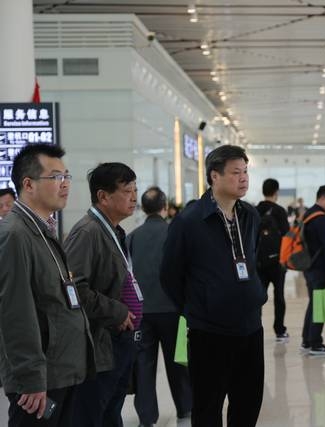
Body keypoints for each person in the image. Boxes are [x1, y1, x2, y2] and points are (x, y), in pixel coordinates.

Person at [161, 145, 267, 427]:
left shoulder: (250, 216)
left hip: (250, 327)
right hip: (209, 332)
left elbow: (253, 261)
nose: (243, 178)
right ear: (214, 176)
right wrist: (197, 307)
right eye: (235, 172)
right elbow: (170, 274)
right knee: (208, 408)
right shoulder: (189, 221)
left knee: (248, 404)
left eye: (245, 171)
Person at [0, 143, 93, 426]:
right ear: (28, 184)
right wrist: (30, 378)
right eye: (55, 177)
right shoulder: (15, 235)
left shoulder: (42, 229)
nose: (65, 184)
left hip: (60, 370)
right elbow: (15, 312)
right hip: (40, 380)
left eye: (66, 176)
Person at [63, 162, 140, 426]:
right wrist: (117, 311)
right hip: (99, 346)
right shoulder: (88, 232)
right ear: (103, 196)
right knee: (91, 415)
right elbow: (73, 288)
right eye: (127, 191)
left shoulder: (114, 231)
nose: (134, 197)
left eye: (135, 190)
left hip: (117, 340)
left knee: (110, 413)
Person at [126, 186, 192, 426]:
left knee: (144, 365)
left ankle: (147, 417)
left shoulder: (132, 237)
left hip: (142, 313)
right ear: (165, 207)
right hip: (173, 310)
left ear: (143, 209)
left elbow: (127, 276)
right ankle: (185, 408)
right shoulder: (175, 233)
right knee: (178, 362)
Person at [300, 184, 325, 356]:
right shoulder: (321, 219)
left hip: (308, 267)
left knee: (314, 303)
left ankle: (307, 341)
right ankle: (316, 343)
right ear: (323, 198)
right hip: (320, 269)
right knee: (320, 305)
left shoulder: (308, 214)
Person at [256, 178, 291, 342]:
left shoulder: (255, 210)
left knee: (258, 297)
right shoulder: (279, 211)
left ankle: (256, 327)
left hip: (259, 262)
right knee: (279, 297)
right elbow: (286, 235)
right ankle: (279, 330)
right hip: (277, 262)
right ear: (276, 192)